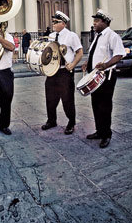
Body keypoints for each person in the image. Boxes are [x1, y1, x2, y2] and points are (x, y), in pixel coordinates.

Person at [82, 9, 125, 148]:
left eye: (96, 21)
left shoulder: (112, 36)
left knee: (105, 106)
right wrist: (87, 64)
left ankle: (107, 134)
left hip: (106, 76)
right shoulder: (98, 36)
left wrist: (105, 65)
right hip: (95, 76)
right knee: (96, 105)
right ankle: (99, 131)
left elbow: (119, 55)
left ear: (105, 22)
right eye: (94, 21)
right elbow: (95, 54)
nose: (94, 23)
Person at [41, 11, 83, 135]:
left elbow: (79, 52)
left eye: (56, 22)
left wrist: (73, 64)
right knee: (50, 97)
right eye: (53, 21)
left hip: (65, 71)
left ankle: (71, 122)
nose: (53, 24)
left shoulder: (71, 36)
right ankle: (51, 120)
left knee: (67, 98)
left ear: (63, 23)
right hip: (52, 71)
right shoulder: (51, 36)